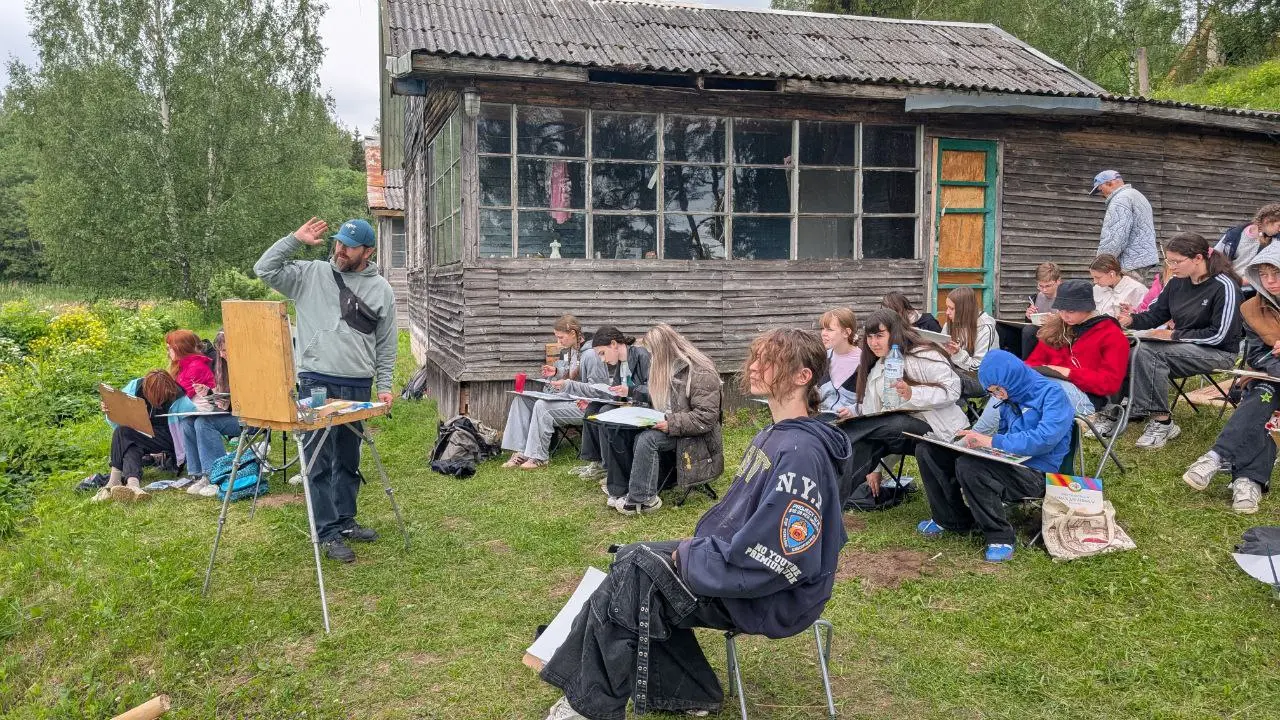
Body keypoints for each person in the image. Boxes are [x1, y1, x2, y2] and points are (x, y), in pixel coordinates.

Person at [539, 328, 851, 720]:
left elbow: (775, 555)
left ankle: (590, 704)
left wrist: (689, 558)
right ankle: (689, 694)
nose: (753, 367)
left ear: (802, 376)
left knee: (637, 572)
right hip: (731, 563)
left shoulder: (800, 452)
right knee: (634, 563)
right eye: (755, 357)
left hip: (768, 591)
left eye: (768, 361)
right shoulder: (774, 434)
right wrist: (693, 553)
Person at [254, 216, 398, 564]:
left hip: (358, 383)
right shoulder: (310, 274)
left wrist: (386, 384)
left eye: (349, 246)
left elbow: (386, 343)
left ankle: (346, 521)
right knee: (319, 458)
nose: (340, 250)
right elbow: (264, 269)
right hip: (316, 380)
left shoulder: (382, 290)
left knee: (349, 458)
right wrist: (294, 238)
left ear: (368, 251)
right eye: (338, 243)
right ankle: (327, 531)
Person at [916, 350, 1074, 563]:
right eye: (992, 392)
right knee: (928, 451)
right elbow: (1005, 433)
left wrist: (991, 442)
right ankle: (951, 518)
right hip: (1011, 461)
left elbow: (1045, 439)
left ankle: (1000, 536)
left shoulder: (1053, 394)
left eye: (998, 389)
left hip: (1039, 473)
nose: (997, 395)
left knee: (970, 466)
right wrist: (980, 444)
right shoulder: (1008, 399)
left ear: (1014, 379)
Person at [1118, 232, 1242, 449]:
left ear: (1198, 259)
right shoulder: (1176, 283)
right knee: (1125, 347)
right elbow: (1156, 314)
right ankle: (1124, 409)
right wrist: (1130, 320)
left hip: (1219, 352)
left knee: (1149, 353)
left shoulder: (1224, 285)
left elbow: (1221, 334)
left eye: (1176, 261)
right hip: (1182, 348)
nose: (1171, 266)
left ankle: (1162, 422)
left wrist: (1175, 335)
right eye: (1168, 261)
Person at [1182, 243, 1280, 514]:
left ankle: (1217, 456)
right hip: (1272, 379)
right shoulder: (1251, 308)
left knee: (1265, 394)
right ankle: (1249, 481)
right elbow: (1258, 356)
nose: (1270, 281)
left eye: (1277, 273)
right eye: (1264, 274)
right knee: (1266, 396)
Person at [837, 309, 966, 506]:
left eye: (880, 336)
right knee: (867, 439)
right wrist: (876, 470)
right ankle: (834, 499)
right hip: (902, 434)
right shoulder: (877, 368)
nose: (873, 343)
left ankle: (844, 435)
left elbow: (953, 390)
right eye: (870, 337)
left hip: (940, 430)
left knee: (889, 423)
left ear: (895, 333)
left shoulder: (924, 355)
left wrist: (912, 393)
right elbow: (873, 416)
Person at [597, 324, 722, 514]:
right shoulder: (669, 369)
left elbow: (705, 418)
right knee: (623, 430)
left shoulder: (700, 372)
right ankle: (622, 488)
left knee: (647, 439)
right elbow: (665, 403)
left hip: (696, 436)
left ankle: (644, 499)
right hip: (674, 424)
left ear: (663, 351)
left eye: (653, 354)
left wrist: (670, 423)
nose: (651, 359)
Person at [974, 280, 1128, 432]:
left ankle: (978, 436)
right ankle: (976, 437)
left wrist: (1068, 373)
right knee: (1012, 383)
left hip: (1087, 398)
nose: (1064, 315)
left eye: (1070, 311)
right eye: (1060, 310)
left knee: (1042, 387)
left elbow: (1110, 383)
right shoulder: (1058, 328)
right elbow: (1033, 362)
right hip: (1050, 387)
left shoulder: (1111, 335)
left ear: (1087, 308)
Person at [500, 315, 606, 470]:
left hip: (585, 406)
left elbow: (597, 390)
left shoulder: (591, 354)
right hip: (567, 398)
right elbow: (574, 373)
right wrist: (557, 371)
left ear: (572, 333)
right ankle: (521, 451)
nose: (558, 342)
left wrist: (567, 385)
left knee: (543, 407)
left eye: (560, 337)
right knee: (521, 400)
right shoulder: (573, 351)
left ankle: (538, 457)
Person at [556, 326, 651, 483]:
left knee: (605, 411)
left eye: (602, 353)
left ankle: (612, 469)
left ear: (613, 344)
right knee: (593, 408)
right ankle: (599, 463)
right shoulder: (622, 362)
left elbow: (654, 389)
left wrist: (630, 390)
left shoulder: (641, 355)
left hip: (644, 407)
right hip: (629, 405)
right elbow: (614, 391)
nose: (602, 359)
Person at [93, 371, 196, 503]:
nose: (159, 401)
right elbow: (117, 420)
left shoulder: (178, 397)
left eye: (162, 397)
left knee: (124, 433)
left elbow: (192, 425)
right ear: (146, 390)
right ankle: (133, 485)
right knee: (128, 440)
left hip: (169, 438)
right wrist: (110, 411)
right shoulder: (135, 387)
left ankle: (113, 482)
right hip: (141, 433)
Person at [181, 331, 246, 497]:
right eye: (220, 351)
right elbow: (222, 400)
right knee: (188, 421)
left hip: (249, 416)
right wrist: (208, 392)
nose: (223, 355)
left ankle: (216, 475)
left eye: (225, 350)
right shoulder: (221, 366)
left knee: (204, 423)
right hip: (230, 412)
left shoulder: (247, 365)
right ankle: (198, 474)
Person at [1091, 169, 1159, 280]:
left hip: (1129, 262)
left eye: (1100, 189)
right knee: (1135, 293)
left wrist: (1100, 264)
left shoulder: (1120, 199)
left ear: (1110, 183)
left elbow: (1114, 236)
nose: (1101, 194)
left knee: (1121, 295)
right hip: (1140, 259)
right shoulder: (1136, 195)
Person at [941, 286, 998, 397]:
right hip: (956, 372)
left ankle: (956, 411)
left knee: (946, 377)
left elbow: (979, 367)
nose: (947, 312)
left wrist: (957, 354)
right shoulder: (950, 324)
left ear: (964, 309)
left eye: (951, 308)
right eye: (947, 308)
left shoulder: (985, 328)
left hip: (983, 380)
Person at [1215, 202, 1280, 291]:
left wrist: (1249, 280)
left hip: (1257, 288)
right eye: (1279, 226)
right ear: (1267, 221)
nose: (1279, 230)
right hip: (1230, 284)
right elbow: (1216, 257)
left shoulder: (1276, 241)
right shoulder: (1234, 234)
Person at [816, 307, 861, 419]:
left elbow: (876, 400)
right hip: (822, 423)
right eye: (822, 328)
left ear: (846, 332)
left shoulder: (865, 362)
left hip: (853, 427)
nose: (823, 333)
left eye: (829, 330)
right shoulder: (822, 358)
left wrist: (854, 411)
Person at [1090, 253, 1148, 318]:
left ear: (1112, 274)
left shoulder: (1137, 289)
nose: (1095, 281)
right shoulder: (1096, 289)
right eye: (1093, 278)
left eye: (1098, 277)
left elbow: (1146, 317)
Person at [165, 329, 215, 398]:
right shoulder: (183, 364)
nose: (168, 352)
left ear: (180, 348)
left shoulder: (195, 367)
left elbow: (182, 397)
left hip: (198, 407)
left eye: (169, 348)